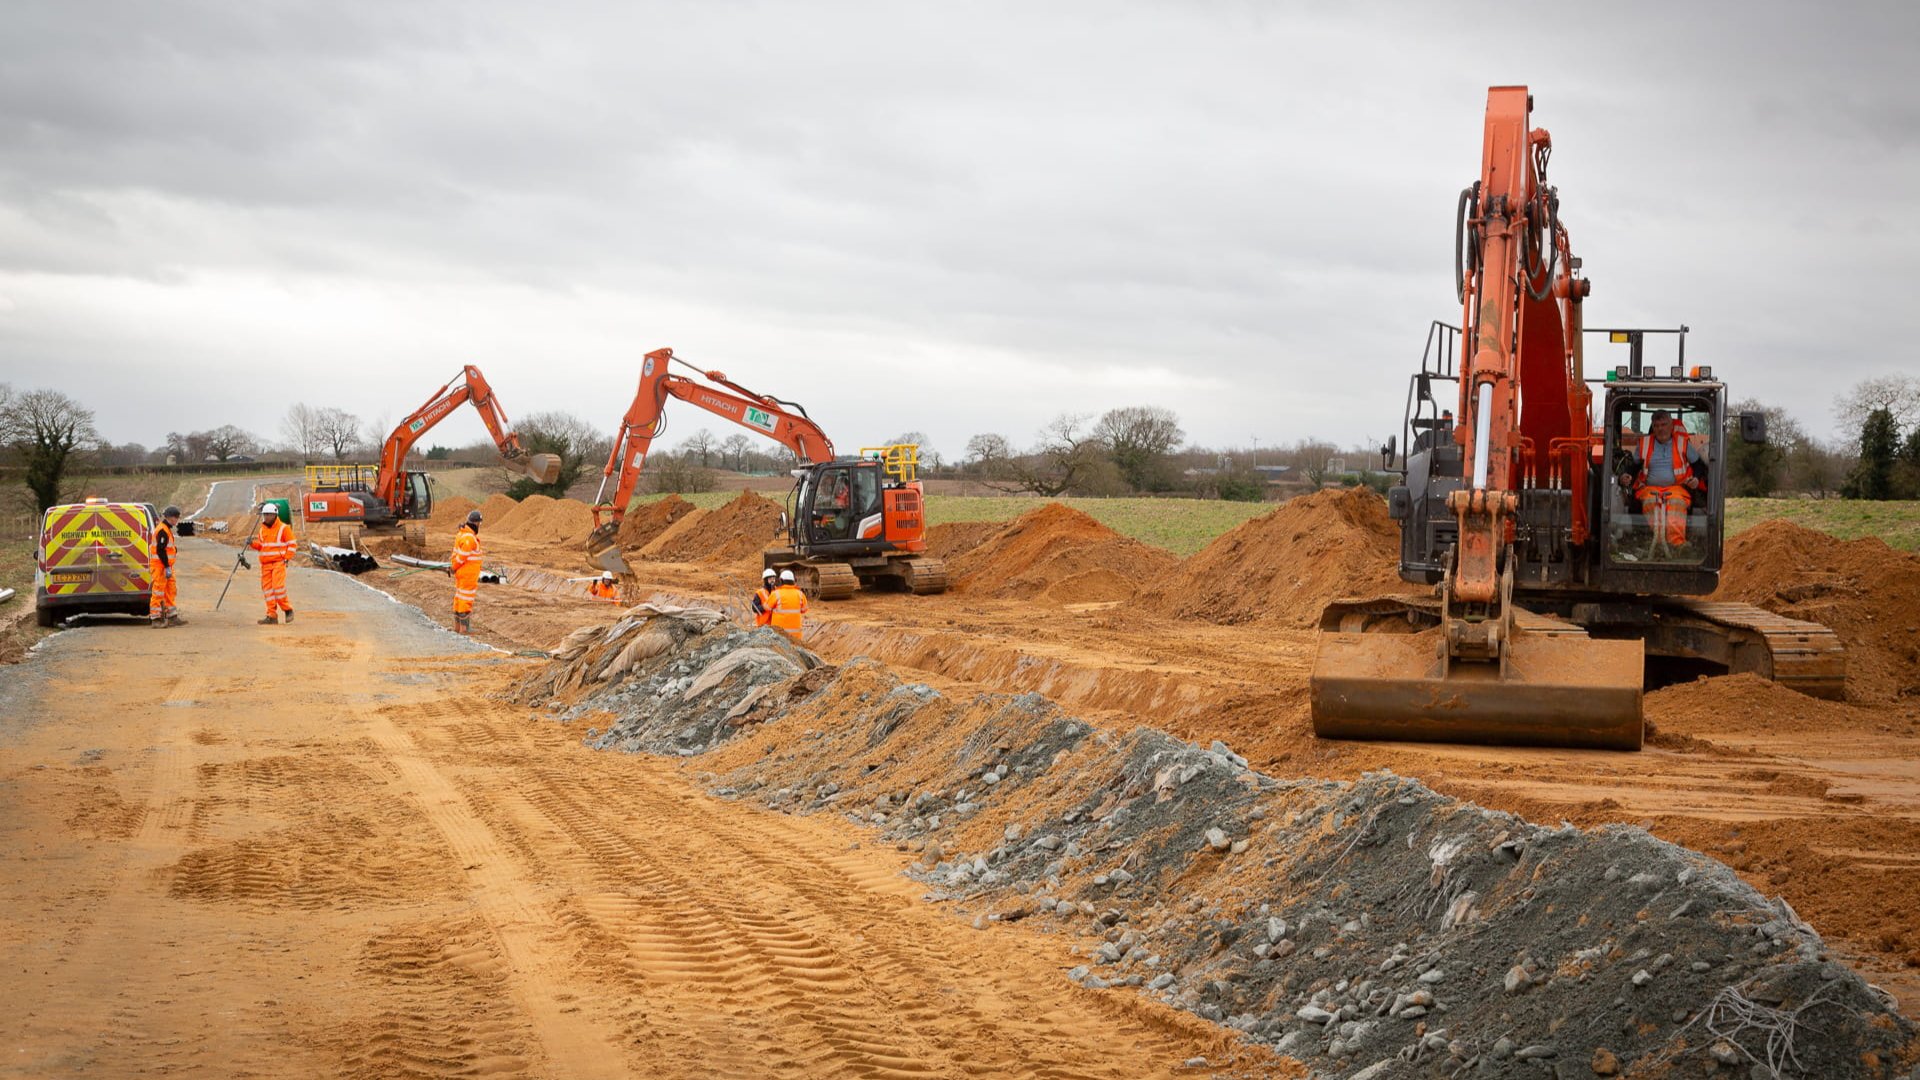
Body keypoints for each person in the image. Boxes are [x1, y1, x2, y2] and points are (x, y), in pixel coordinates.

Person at [1617, 411, 1706, 548]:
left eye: (1664, 424)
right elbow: (1633, 466)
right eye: (1657, 425)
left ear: (1671, 426)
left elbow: (1698, 464)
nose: (1660, 428)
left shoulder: (1683, 443)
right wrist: (1626, 475)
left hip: (1677, 488)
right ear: (1653, 427)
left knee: (1676, 503)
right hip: (1649, 488)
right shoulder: (1644, 443)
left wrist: (1695, 478)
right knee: (1652, 502)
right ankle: (1658, 544)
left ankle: (1676, 545)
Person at [248, 503, 296, 625]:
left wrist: (287, 558)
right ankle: (272, 616)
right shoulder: (262, 529)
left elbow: (292, 544)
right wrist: (252, 543)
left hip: (278, 563)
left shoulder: (284, 528)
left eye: (268, 514)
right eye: (265, 515)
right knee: (268, 591)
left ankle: (287, 609)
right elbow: (261, 546)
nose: (266, 517)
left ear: (275, 515)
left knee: (278, 588)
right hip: (265, 565)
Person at [149, 506, 186, 628]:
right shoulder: (162, 530)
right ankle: (156, 619)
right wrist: (166, 566)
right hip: (160, 567)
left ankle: (172, 616)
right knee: (158, 592)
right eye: (176, 518)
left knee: (170, 590)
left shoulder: (166, 529)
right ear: (171, 518)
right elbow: (160, 550)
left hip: (165, 566)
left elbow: (166, 548)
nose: (177, 521)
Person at [450, 509, 483, 635]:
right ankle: (464, 629)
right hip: (467, 574)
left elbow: (459, 555)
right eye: (479, 523)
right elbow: (462, 556)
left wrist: (454, 567)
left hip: (463, 572)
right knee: (466, 599)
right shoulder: (469, 538)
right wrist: (454, 567)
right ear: (476, 523)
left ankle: (458, 627)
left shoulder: (462, 534)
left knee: (459, 597)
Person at [768, 568, 809, 644]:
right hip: (796, 637)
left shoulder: (776, 594)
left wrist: (773, 591)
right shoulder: (800, 594)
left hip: (779, 637)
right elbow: (804, 610)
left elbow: (767, 608)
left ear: (781, 581)